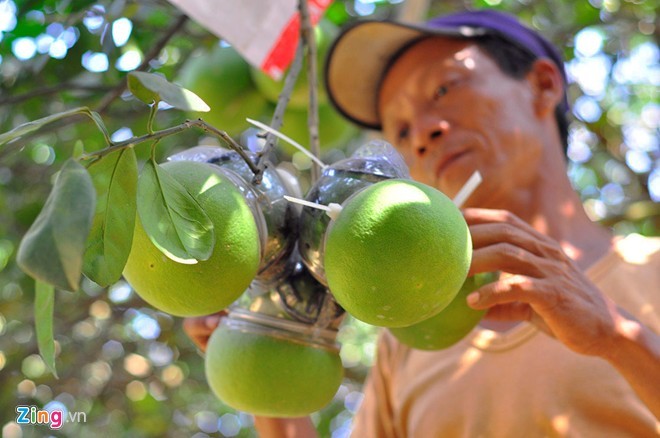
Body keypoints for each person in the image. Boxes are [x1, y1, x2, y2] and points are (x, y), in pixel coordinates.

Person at [184, 9, 660, 437]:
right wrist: (267, 364)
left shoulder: (651, 270)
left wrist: (616, 339)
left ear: (542, 84)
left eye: (444, 89)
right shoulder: (409, 338)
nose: (425, 134)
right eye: (402, 130)